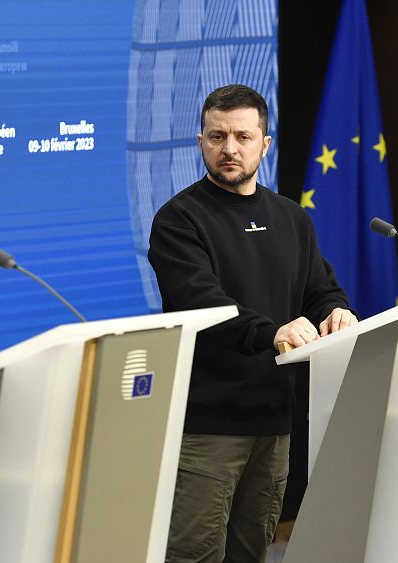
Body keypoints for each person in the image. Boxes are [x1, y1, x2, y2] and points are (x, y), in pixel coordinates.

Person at [148, 84, 357, 563]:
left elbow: (320, 289)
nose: (229, 148)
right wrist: (272, 333)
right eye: (217, 136)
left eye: (242, 137)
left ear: (265, 144)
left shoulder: (290, 217)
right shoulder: (179, 220)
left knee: (253, 553)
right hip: (208, 428)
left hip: (275, 422)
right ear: (200, 141)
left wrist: (336, 310)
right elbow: (203, 305)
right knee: (194, 555)